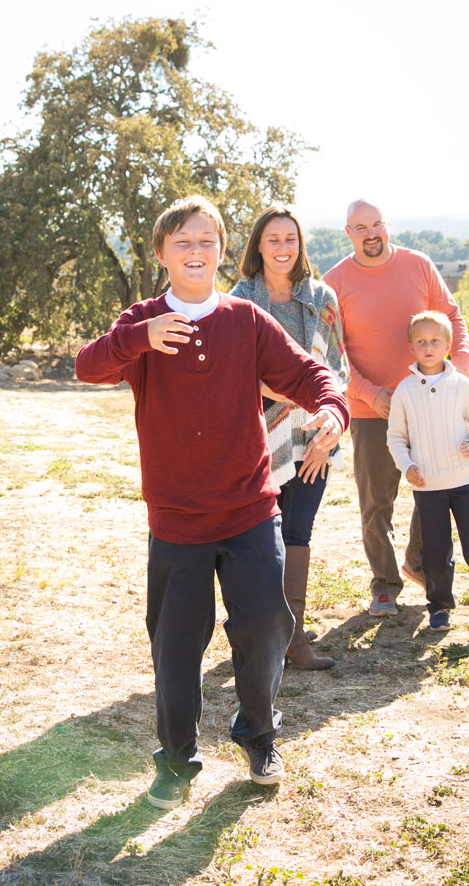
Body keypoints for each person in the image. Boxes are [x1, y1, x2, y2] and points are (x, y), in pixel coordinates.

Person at [75, 195, 349, 811]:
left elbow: (309, 373)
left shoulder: (244, 321)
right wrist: (139, 338)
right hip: (177, 520)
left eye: (207, 241)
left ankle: (258, 734)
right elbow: (87, 365)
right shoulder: (141, 320)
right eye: (183, 242)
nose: (196, 251)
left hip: (251, 510)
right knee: (175, 647)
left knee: (265, 627)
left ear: (223, 252)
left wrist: (332, 408)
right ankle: (175, 761)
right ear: (162, 255)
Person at [324, 199, 469, 617]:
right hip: (372, 410)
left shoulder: (419, 265)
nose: (370, 233)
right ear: (348, 233)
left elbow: (452, 318)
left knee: (436, 488)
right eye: (359, 227)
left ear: (386, 226)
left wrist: (456, 371)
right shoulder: (334, 281)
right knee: (376, 503)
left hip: (430, 402)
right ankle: (385, 584)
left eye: (376, 225)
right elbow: (333, 353)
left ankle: (417, 563)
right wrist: (372, 394)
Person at [231, 205, 349, 671]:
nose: (283, 248)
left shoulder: (322, 297)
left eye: (291, 239)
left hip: (317, 433)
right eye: (273, 239)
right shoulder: (239, 300)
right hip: (256, 436)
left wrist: (325, 434)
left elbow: (336, 368)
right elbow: (241, 373)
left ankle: (294, 642)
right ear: (258, 245)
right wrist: (297, 396)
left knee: (299, 531)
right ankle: (258, 639)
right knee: (259, 537)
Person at [386, 311, 469, 635]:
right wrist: (407, 466)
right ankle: (439, 608)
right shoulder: (404, 391)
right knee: (434, 550)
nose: (428, 347)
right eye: (421, 341)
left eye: (435, 341)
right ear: (411, 347)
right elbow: (396, 438)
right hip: (428, 484)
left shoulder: (461, 385)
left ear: (447, 345)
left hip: (464, 481)